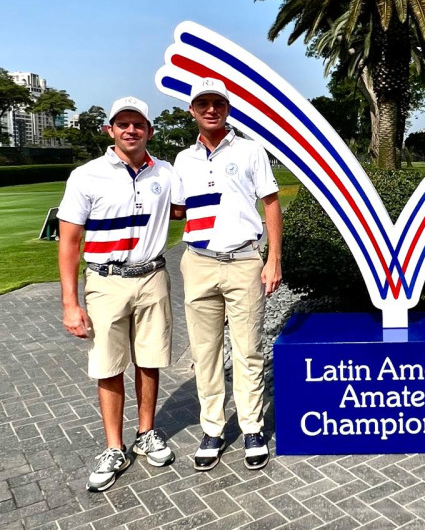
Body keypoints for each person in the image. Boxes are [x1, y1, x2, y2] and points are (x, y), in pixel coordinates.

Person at [58, 97, 176, 492]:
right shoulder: (86, 175)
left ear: (149, 130)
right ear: (110, 130)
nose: (130, 130)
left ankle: (146, 433)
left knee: (149, 360)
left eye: (138, 124)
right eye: (122, 124)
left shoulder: (165, 172)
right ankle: (113, 446)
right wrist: (70, 303)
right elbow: (70, 243)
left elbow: (183, 208)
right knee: (108, 365)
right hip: (106, 281)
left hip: (152, 275)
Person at [171, 77, 283, 471]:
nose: (210, 109)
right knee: (205, 353)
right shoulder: (183, 160)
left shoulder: (251, 150)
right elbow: (177, 209)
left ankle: (251, 426)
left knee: (248, 348)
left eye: (217, 102)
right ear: (192, 111)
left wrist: (273, 259)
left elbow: (271, 203)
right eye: (203, 103)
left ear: (227, 108)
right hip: (198, 262)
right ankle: (213, 429)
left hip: (244, 260)